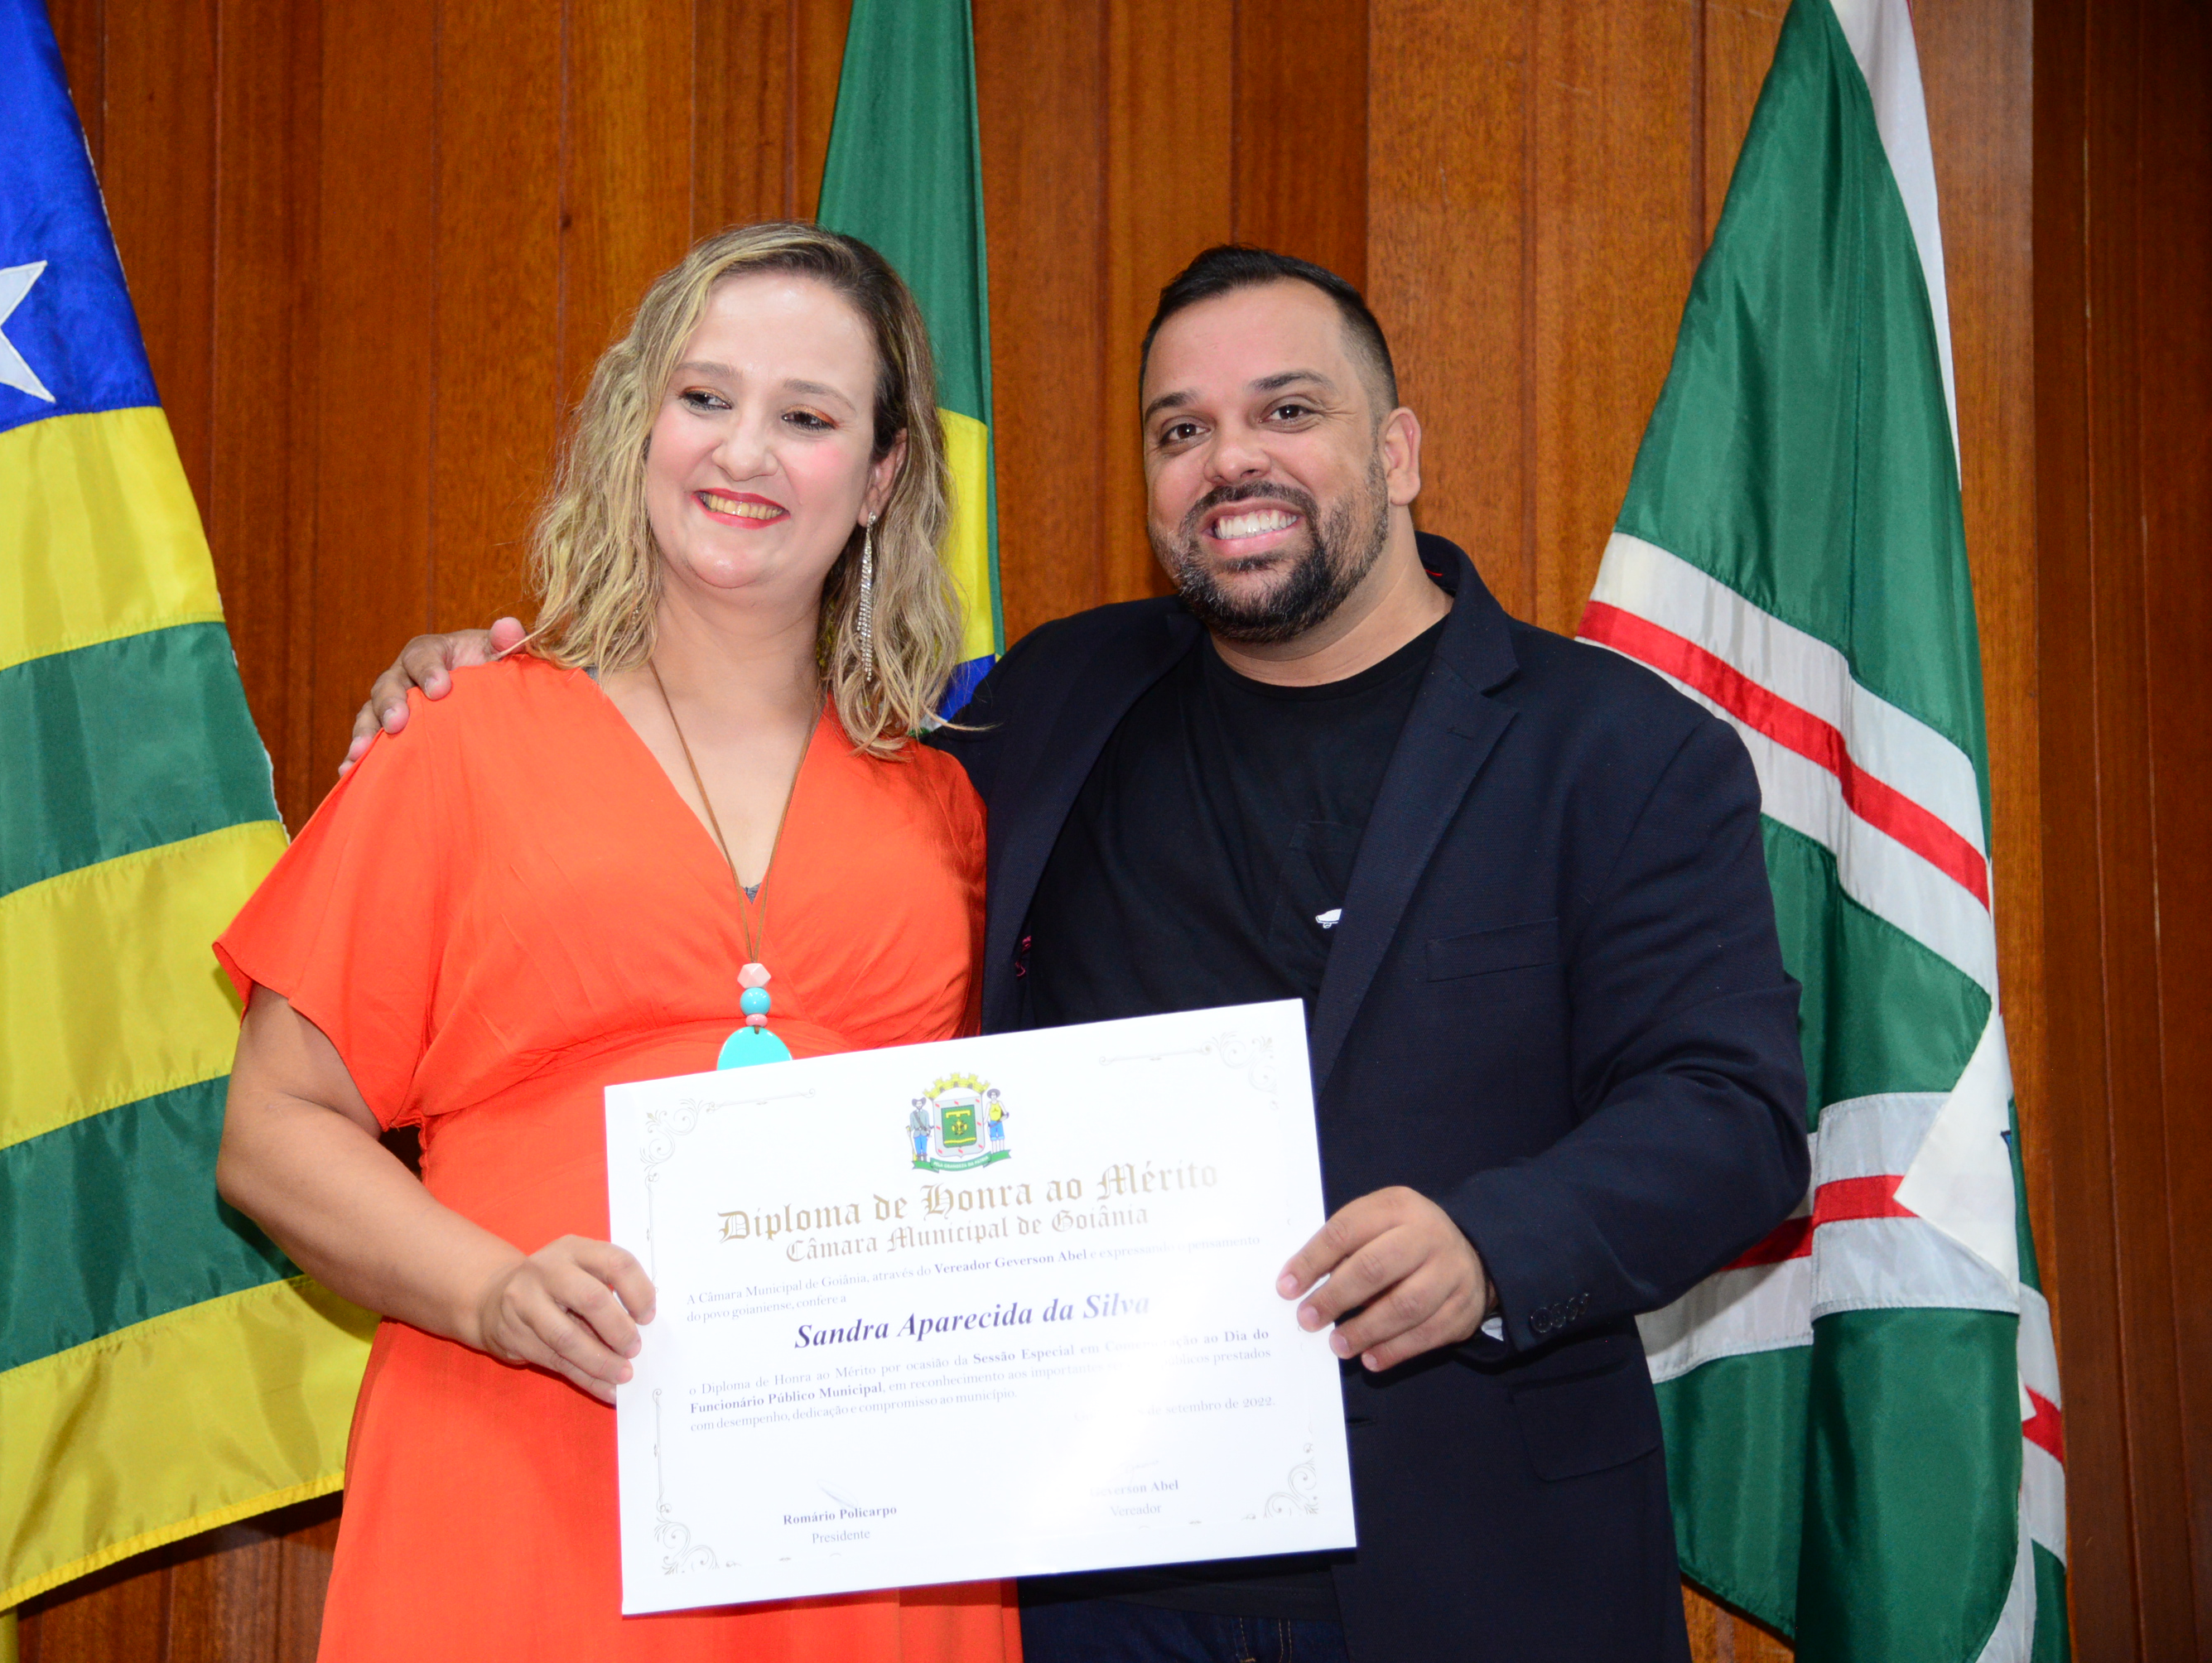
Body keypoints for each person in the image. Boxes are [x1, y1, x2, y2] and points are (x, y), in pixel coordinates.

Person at [354, 247, 1810, 1663]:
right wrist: (483, 682)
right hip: (1092, 1577)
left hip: (1474, 1566)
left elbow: (1735, 1122)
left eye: (1288, 411)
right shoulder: (1054, 701)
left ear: (1399, 450)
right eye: (1182, 430)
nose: (1232, 461)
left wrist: (1491, 1248)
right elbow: (767, 774)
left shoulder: (1616, 747)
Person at [214, 222, 1016, 1663]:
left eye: (809, 417)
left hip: (870, 1529)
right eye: (705, 397)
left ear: (883, 477)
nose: (744, 452)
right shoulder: (458, 735)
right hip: (523, 1471)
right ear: (640, 422)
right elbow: (274, 1132)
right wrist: (491, 1293)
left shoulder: (946, 804)